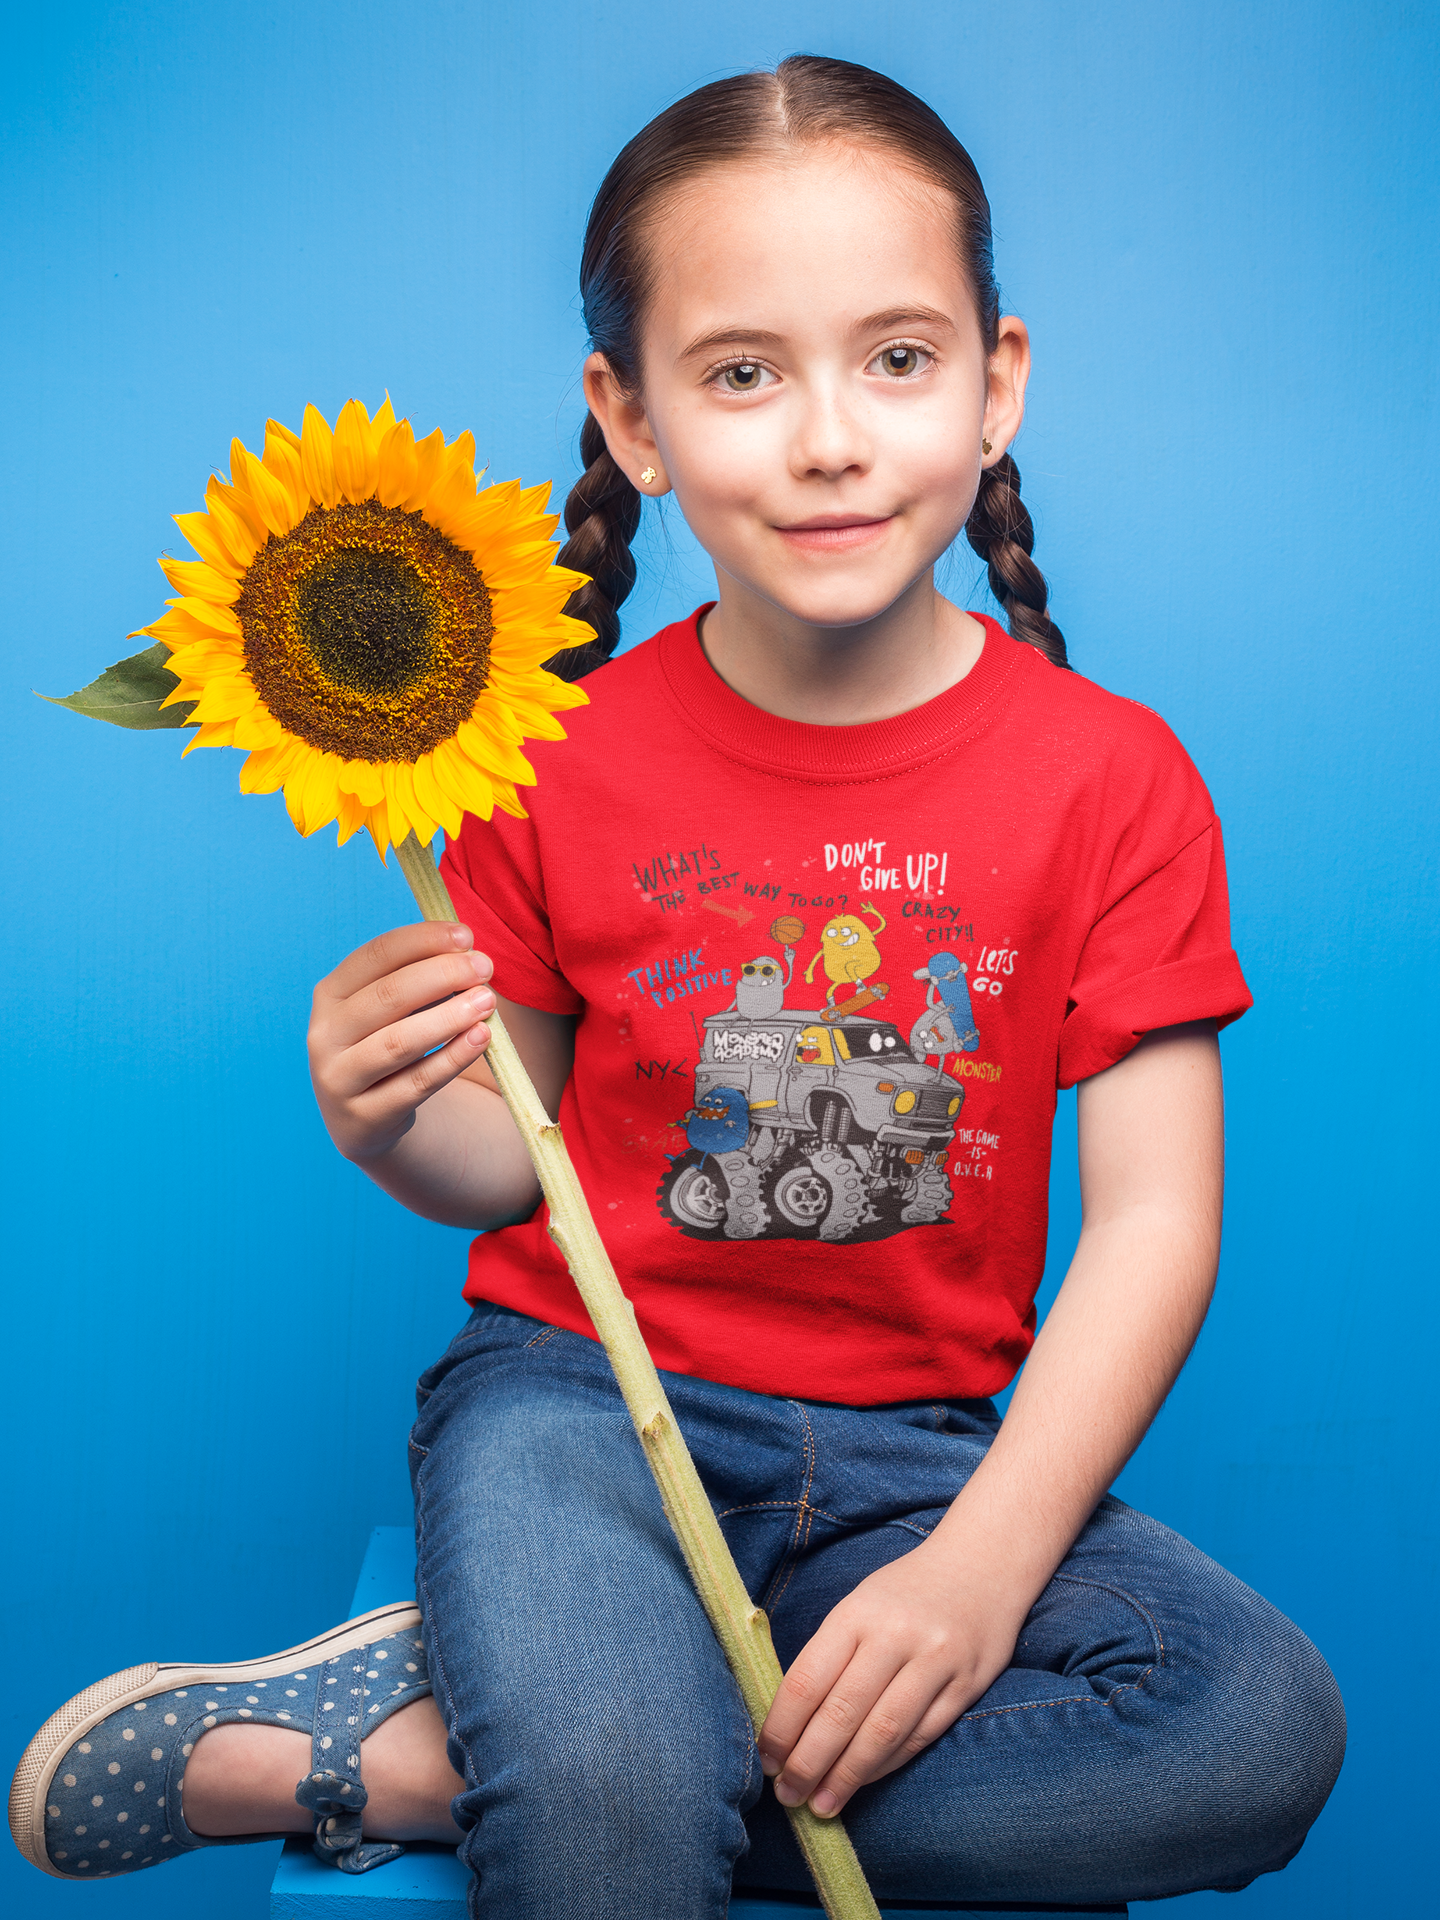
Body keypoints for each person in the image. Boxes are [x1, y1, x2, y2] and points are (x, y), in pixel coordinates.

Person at [10, 55, 1345, 1917]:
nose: (829, 437)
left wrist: (973, 1571)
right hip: (584, 1415)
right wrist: (388, 1115)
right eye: (741, 373)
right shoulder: (542, 754)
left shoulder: (1115, 778)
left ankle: (425, 1760)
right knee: (615, 1817)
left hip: (923, 1455)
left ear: (996, 383)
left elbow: (1152, 1230)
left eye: (897, 358)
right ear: (627, 419)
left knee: (1251, 1733)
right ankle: (565, 1734)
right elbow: (516, 1159)